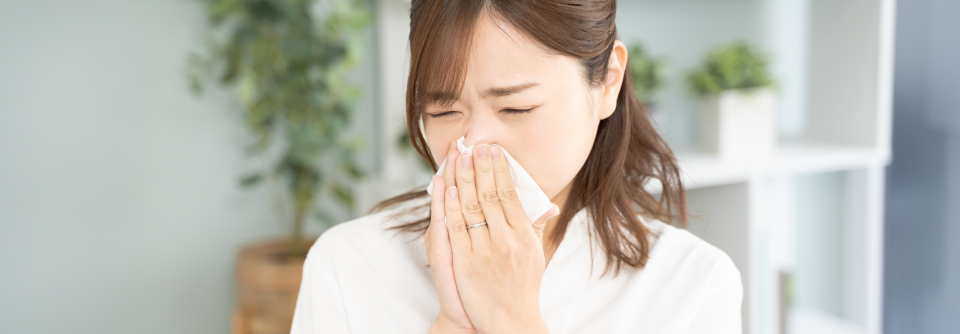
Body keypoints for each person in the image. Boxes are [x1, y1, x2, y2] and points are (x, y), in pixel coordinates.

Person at [290, 0, 742, 333]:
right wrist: (454, 321)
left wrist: (511, 318)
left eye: (516, 108)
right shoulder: (347, 265)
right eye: (444, 112)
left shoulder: (692, 285)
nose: (474, 143)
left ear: (607, 82)